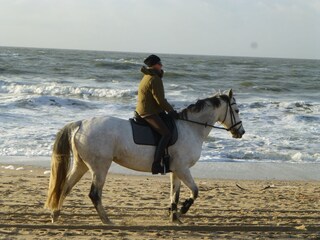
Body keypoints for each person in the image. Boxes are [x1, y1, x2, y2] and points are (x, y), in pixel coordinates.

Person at [135, 54, 179, 174]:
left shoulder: (147, 76)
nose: (161, 65)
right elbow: (160, 100)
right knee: (166, 134)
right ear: (154, 65)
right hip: (148, 112)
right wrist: (171, 111)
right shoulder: (154, 79)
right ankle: (156, 164)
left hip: (148, 109)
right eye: (159, 63)